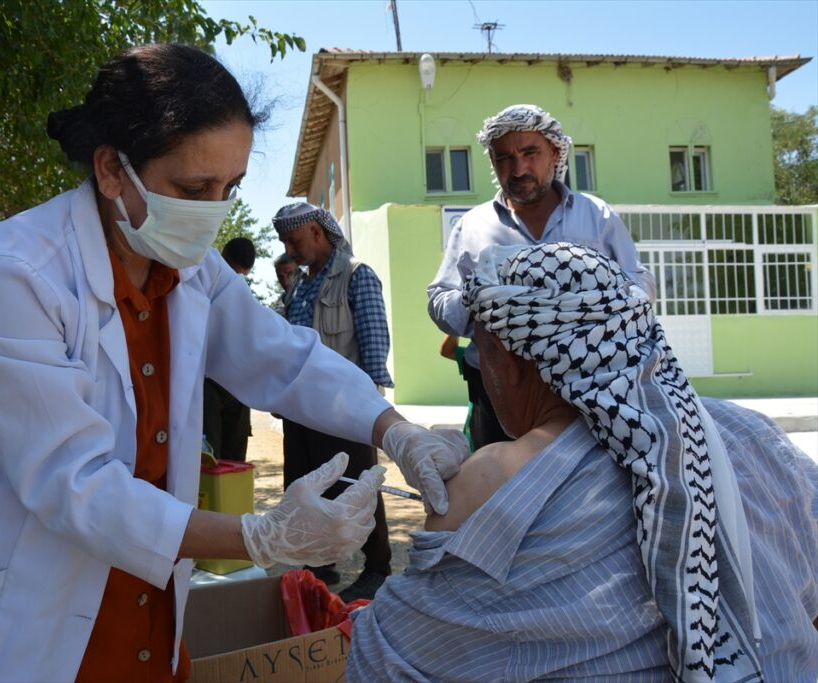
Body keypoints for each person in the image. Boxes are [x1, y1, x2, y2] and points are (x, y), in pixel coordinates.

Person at [0, 44, 468, 683]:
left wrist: (393, 430)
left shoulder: (190, 271)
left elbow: (283, 358)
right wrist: (259, 537)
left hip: (147, 615)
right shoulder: (11, 277)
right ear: (112, 170)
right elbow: (75, 485)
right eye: (193, 189)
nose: (214, 211)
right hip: (11, 630)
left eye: (230, 188)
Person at [349, 243, 818, 682]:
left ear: (505, 359)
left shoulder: (491, 477)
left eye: (481, 354)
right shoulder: (751, 433)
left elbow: (386, 653)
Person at [427, 103, 656, 451]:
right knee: (500, 482)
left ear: (555, 153)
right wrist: (479, 299)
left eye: (530, 153)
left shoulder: (596, 217)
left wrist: (589, 300)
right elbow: (441, 301)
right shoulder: (472, 226)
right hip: (498, 395)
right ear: (493, 163)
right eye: (504, 158)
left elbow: (639, 289)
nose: (519, 169)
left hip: (592, 390)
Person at [273, 201, 402, 603]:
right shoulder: (299, 285)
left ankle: (378, 567)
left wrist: (370, 406)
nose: (289, 250)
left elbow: (374, 342)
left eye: (294, 240)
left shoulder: (357, 276)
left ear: (317, 232)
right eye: (285, 242)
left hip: (344, 408)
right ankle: (320, 562)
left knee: (358, 484)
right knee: (304, 484)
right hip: (300, 407)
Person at [202, 237, 257, 461]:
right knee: (209, 458)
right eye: (234, 273)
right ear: (223, 260)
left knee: (235, 461)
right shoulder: (198, 290)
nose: (237, 280)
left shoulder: (245, 296)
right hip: (206, 387)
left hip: (238, 388)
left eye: (243, 276)